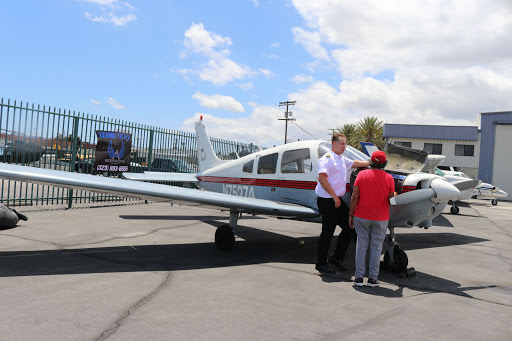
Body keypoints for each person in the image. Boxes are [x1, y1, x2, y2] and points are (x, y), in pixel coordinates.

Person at [315, 133, 370, 274]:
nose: (344, 146)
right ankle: (321, 264)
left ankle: (336, 259)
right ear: (334, 144)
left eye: (345, 144)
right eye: (342, 144)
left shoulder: (341, 159)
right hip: (328, 200)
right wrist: (335, 197)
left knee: (350, 228)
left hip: (337, 200)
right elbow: (322, 178)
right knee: (328, 232)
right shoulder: (327, 159)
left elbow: (355, 163)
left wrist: (371, 163)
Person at [349, 150, 395, 287]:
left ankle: (358, 278)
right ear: (385, 164)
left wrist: (351, 214)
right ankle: (373, 279)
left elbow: (354, 197)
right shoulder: (389, 178)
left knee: (361, 246)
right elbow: (391, 198)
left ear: (371, 162)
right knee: (376, 247)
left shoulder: (361, 175)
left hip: (361, 216)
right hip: (381, 218)